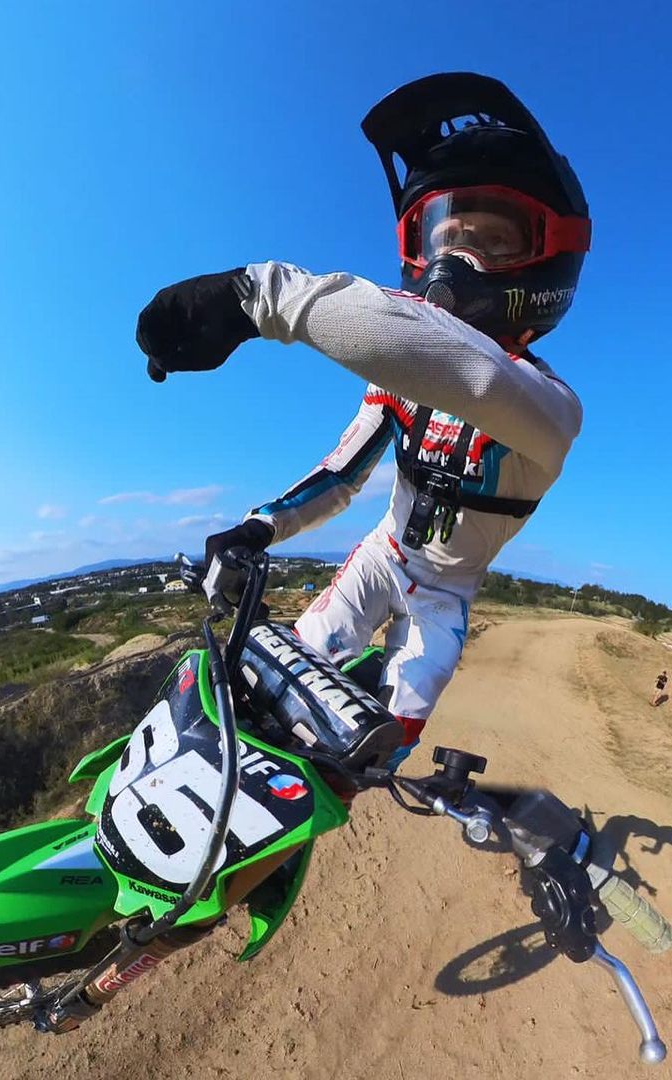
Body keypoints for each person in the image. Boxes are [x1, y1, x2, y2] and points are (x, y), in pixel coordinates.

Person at [136, 73, 591, 770]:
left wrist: (263, 296)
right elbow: (344, 472)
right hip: (381, 558)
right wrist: (261, 526)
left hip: (444, 597)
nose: (456, 262)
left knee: (366, 758)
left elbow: (474, 373)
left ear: (547, 259)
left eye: (493, 242)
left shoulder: (551, 411)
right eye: (444, 237)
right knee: (262, 702)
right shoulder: (404, 378)